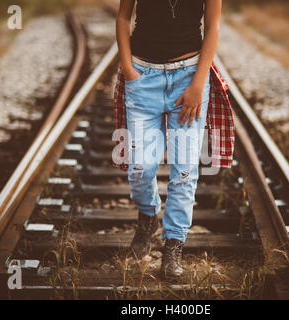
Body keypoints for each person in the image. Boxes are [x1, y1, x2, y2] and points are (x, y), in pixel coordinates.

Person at [113, 0, 234, 278]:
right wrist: (129, 72)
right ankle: (148, 217)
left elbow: (213, 26)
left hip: (188, 78)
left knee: (184, 170)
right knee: (140, 167)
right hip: (143, 77)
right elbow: (122, 18)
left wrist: (197, 84)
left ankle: (173, 245)